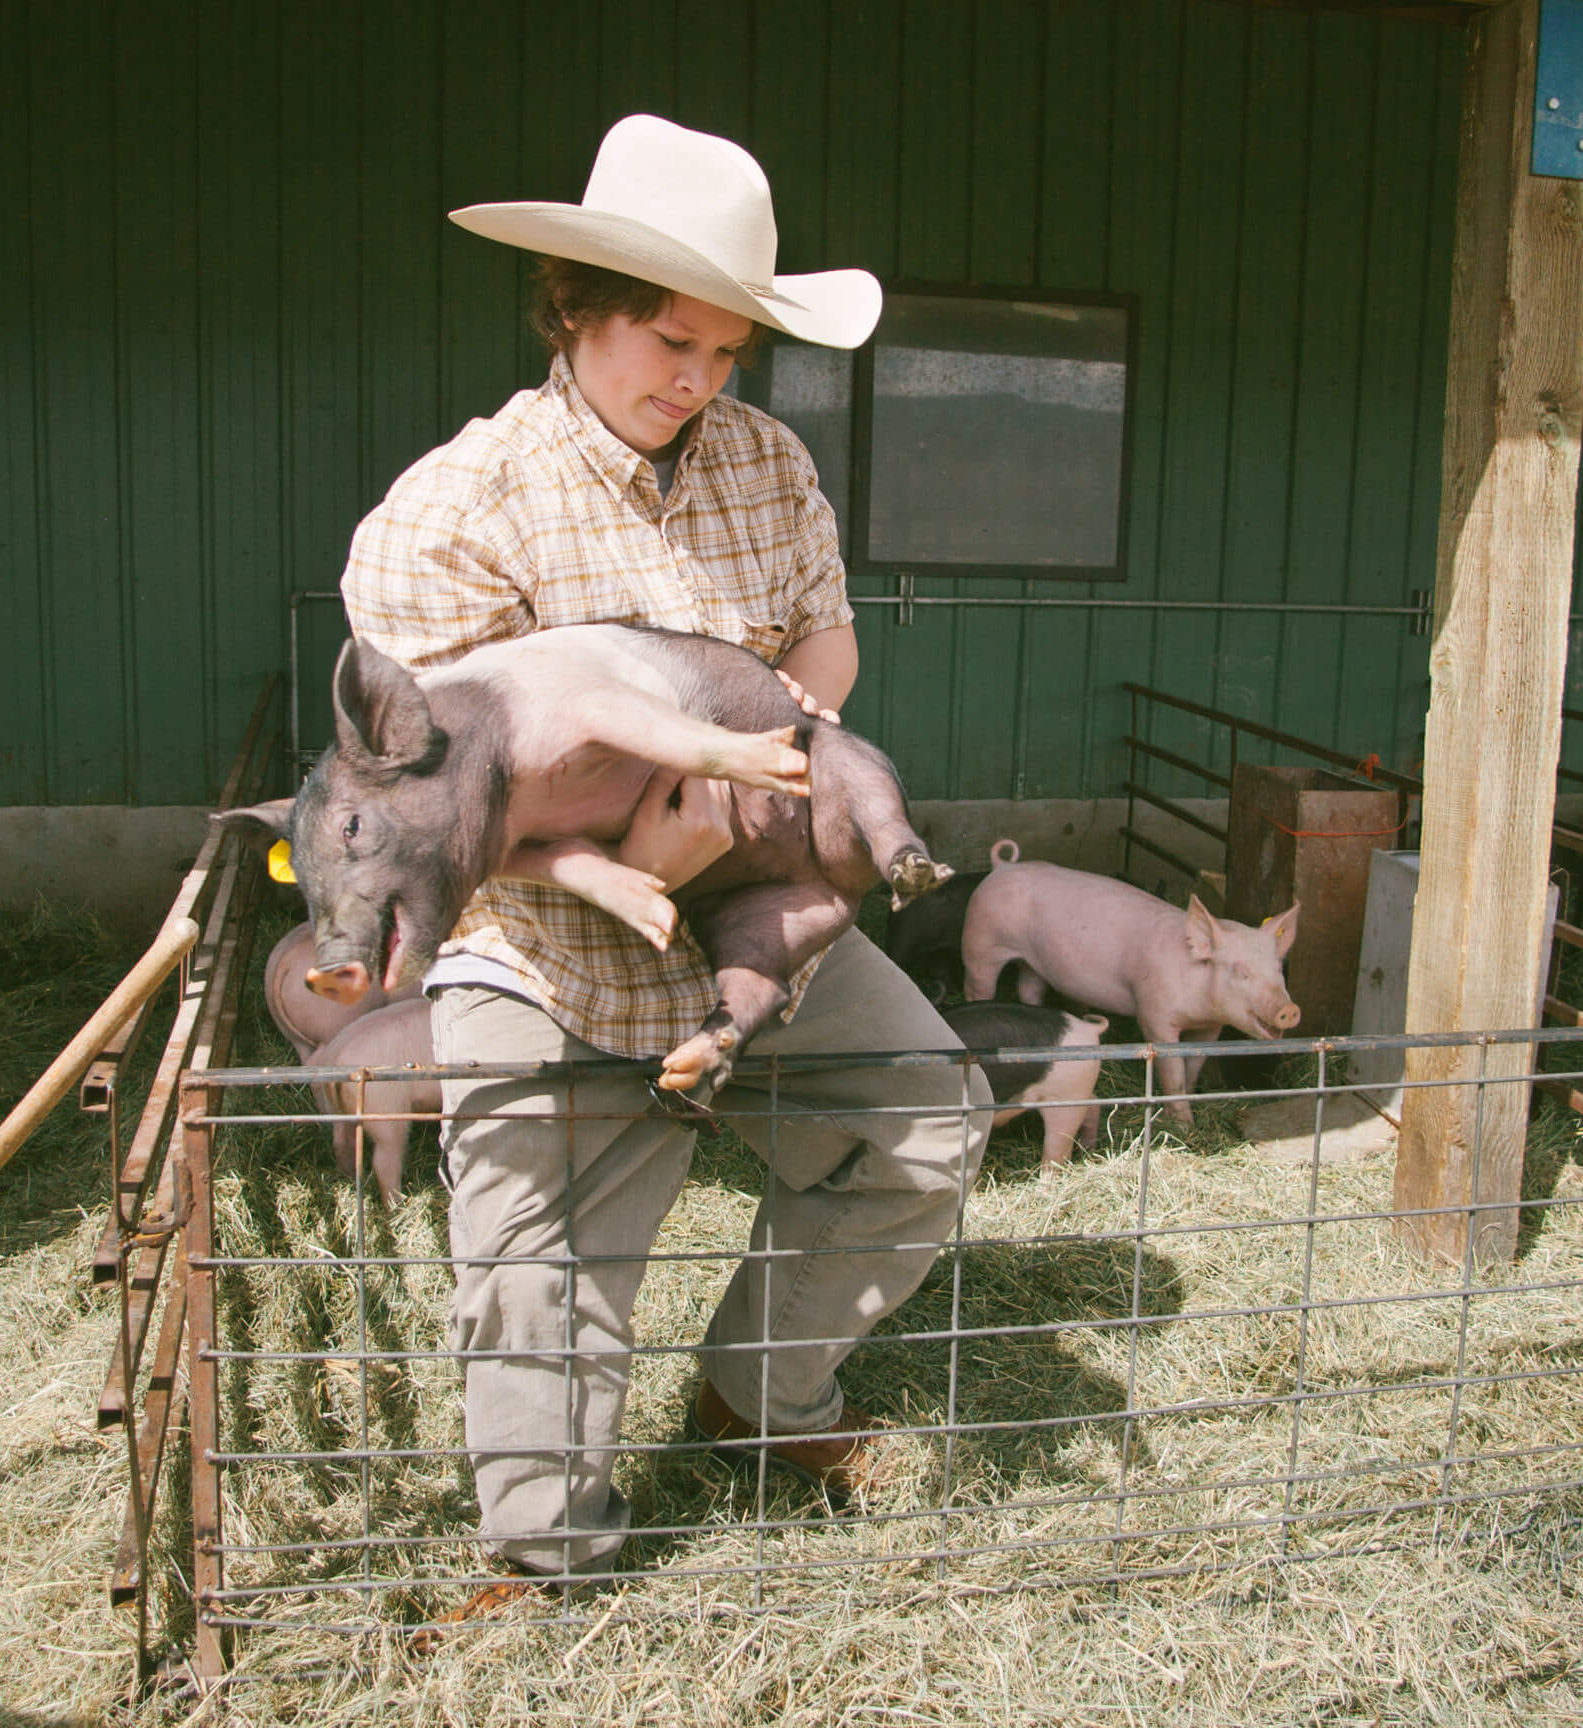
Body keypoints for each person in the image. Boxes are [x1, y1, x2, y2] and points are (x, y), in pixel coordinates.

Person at [340, 114, 992, 1581]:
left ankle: (758, 1398)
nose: (695, 380)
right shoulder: (455, 510)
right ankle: (548, 1558)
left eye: (725, 351)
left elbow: (821, 628)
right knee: (535, 1271)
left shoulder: (762, 462)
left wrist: (787, 759)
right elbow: (435, 802)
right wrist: (632, 851)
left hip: (754, 873)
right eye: (664, 338)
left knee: (928, 1125)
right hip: (545, 936)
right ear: (572, 305)